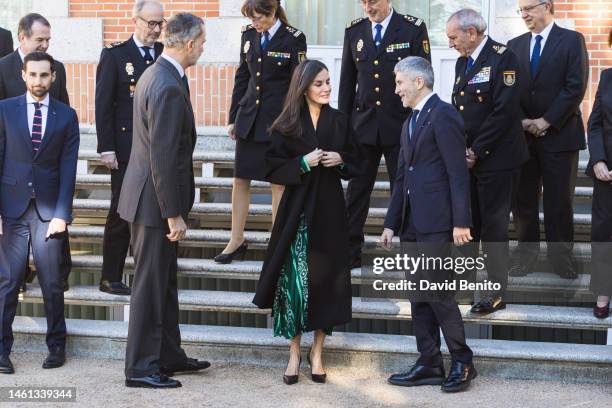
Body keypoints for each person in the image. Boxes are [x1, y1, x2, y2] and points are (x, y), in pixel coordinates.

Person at [253, 60, 363, 385]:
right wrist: (302, 162)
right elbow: (270, 167)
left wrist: (341, 161)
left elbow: (359, 162)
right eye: (319, 84)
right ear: (304, 88)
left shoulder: (340, 120)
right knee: (295, 285)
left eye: (329, 82)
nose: (327, 88)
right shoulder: (287, 123)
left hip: (329, 211)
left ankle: (317, 353)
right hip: (297, 212)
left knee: (325, 284)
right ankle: (294, 353)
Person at [118, 13, 210, 389]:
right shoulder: (168, 84)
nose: (203, 49)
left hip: (146, 199)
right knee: (150, 287)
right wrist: (173, 213)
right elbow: (162, 154)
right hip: (154, 206)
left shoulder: (158, 74)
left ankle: (168, 355)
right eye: (202, 43)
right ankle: (140, 368)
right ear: (189, 44)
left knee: (164, 284)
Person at [381, 57, 476, 393]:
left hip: (438, 223)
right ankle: (429, 362)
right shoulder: (410, 121)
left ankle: (463, 360)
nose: (396, 90)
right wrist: (391, 223)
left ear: (418, 82)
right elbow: (402, 177)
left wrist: (460, 221)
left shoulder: (444, 114)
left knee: (439, 294)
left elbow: (457, 172)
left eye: (399, 83)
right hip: (410, 223)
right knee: (419, 295)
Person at [0, 52, 79, 374]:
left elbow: (68, 167)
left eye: (44, 76)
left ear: (53, 77)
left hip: (49, 212)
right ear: (23, 75)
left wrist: (62, 214)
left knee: (51, 282)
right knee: (7, 281)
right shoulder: (4, 110)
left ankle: (56, 346)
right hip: (12, 210)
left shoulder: (66, 115)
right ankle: (2, 350)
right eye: (32, 75)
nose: (38, 82)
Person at [447, 9, 528, 314]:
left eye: (454, 37)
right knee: (467, 225)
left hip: (498, 159)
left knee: (493, 228)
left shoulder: (503, 58)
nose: (452, 44)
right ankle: (462, 285)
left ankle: (495, 293)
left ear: (471, 32)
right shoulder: (462, 61)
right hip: (469, 158)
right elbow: (462, 110)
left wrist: (476, 150)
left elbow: (504, 111)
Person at [339, 0, 431, 268]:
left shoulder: (412, 29)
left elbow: (423, 78)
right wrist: (343, 128)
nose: (368, 7)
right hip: (363, 126)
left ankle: (409, 252)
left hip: (400, 125)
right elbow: (347, 83)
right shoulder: (354, 31)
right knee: (356, 191)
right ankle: (350, 250)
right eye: (364, 2)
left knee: (404, 189)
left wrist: (421, 121)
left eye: (374, 1)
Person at [215, 0, 307, 264]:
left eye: (259, 18)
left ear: (274, 11)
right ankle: (236, 239)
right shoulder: (248, 35)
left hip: (277, 122)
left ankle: (276, 242)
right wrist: (233, 117)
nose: (255, 24)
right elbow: (242, 77)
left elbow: (297, 84)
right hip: (249, 119)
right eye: (252, 19)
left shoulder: (293, 38)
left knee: (277, 182)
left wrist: (292, 122)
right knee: (240, 179)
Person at [507, 0, 589, 279]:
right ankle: (525, 255)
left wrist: (546, 121)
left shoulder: (571, 40)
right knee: (524, 200)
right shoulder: (514, 45)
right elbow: (507, 88)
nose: (524, 15)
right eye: (521, 10)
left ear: (548, 6)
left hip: (560, 135)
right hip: (523, 137)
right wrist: (521, 120)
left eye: (529, 8)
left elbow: (575, 86)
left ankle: (561, 259)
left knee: (559, 201)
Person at [95, 0, 165, 295]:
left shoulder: (164, 54)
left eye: (160, 23)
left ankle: (151, 274)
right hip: (125, 149)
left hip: (158, 148)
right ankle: (110, 276)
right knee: (121, 212)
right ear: (135, 20)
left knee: (157, 211)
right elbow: (103, 105)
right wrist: (106, 147)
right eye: (151, 23)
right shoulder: (115, 55)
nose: (157, 29)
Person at [0, 13, 71, 293]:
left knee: (56, 221)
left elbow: (64, 110)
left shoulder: (58, 68)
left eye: (48, 40)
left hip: (47, 164)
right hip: (14, 165)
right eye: (40, 39)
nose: (45, 44)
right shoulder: (3, 67)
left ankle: (58, 276)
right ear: (22, 38)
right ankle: (16, 277)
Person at [586, 30, 612, 319]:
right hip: (606, 174)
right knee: (602, 234)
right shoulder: (607, 77)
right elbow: (594, 124)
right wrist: (598, 161)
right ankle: (603, 291)